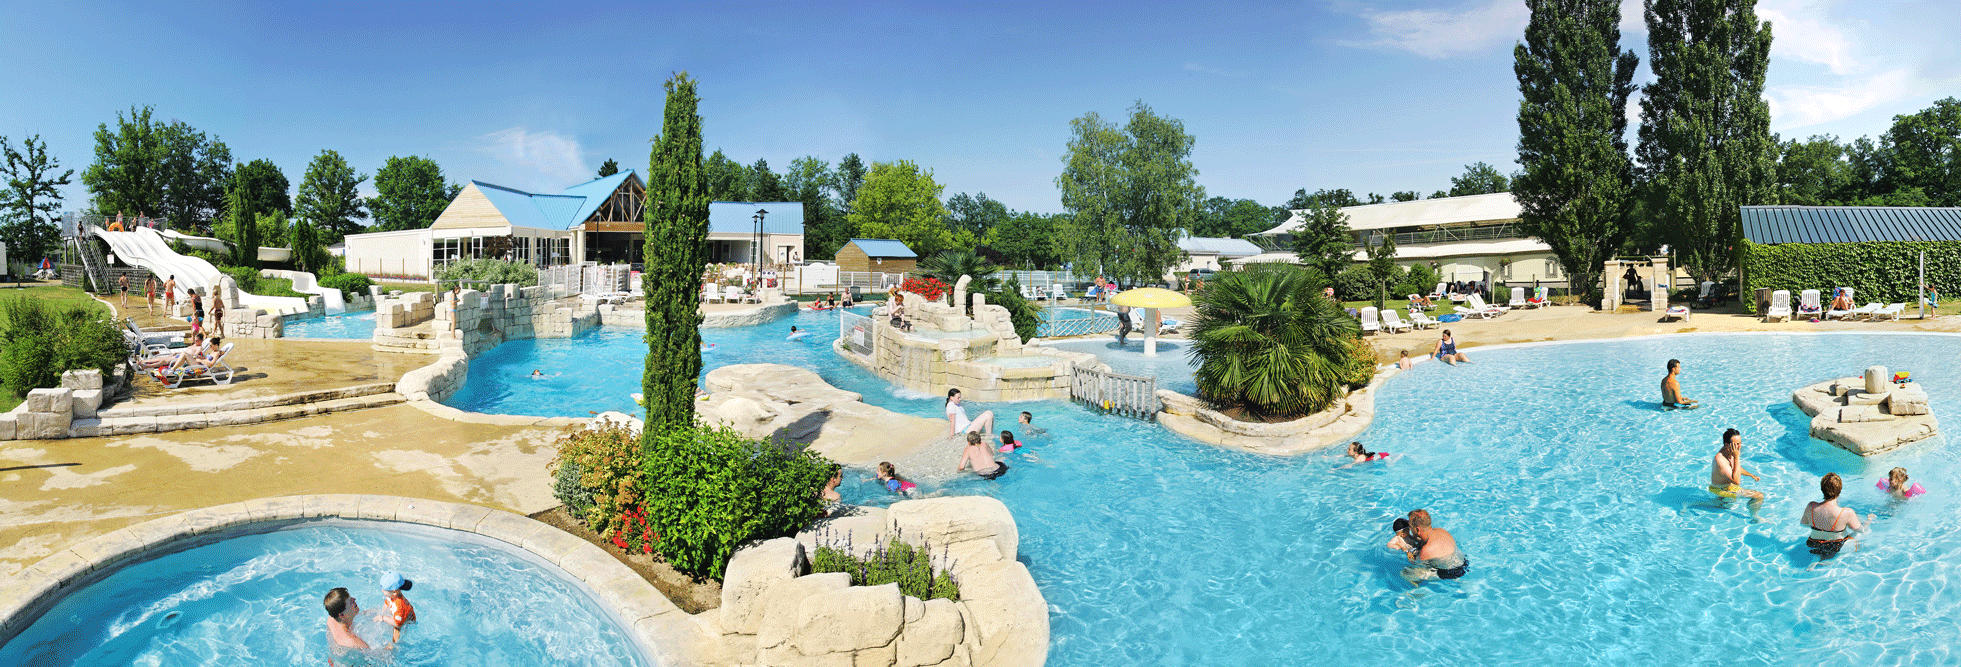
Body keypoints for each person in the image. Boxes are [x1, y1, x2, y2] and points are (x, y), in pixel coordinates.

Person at [1803, 473, 1874, 560]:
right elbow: (1861, 530)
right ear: (1839, 491)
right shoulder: (1847, 512)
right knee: (1865, 532)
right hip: (1836, 546)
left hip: (1813, 543)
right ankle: (1831, 560)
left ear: (1822, 489)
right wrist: (1869, 521)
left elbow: (1804, 523)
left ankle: (1818, 557)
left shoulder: (1811, 506)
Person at [1385, 509, 1467, 584]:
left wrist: (1406, 550)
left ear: (1418, 529)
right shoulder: (1441, 531)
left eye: (1410, 526)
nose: (1409, 528)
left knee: (1406, 573)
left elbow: (1416, 563)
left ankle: (1417, 595)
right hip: (1463, 562)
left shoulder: (1426, 550)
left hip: (1451, 573)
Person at [1709, 428, 1765, 518]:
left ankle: (1690, 503)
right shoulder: (1720, 460)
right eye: (1736, 444)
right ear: (1727, 444)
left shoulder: (1728, 450)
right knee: (1758, 496)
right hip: (1721, 490)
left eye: (1740, 443)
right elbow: (1736, 481)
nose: (1739, 447)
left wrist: (1751, 475)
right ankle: (1755, 518)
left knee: (1720, 506)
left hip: (1727, 486)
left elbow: (1735, 468)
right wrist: (1736, 457)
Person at [323, 587, 373, 665]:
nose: (354, 599)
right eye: (350, 602)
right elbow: (382, 659)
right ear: (342, 615)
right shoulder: (355, 643)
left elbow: (352, 614)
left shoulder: (331, 620)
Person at [377, 571, 417, 646]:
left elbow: (397, 624)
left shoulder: (400, 607)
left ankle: (392, 646)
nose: (382, 590)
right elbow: (387, 603)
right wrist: (382, 613)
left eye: (384, 589)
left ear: (394, 592)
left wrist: (383, 618)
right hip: (398, 615)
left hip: (405, 622)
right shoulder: (391, 594)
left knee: (396, 630)